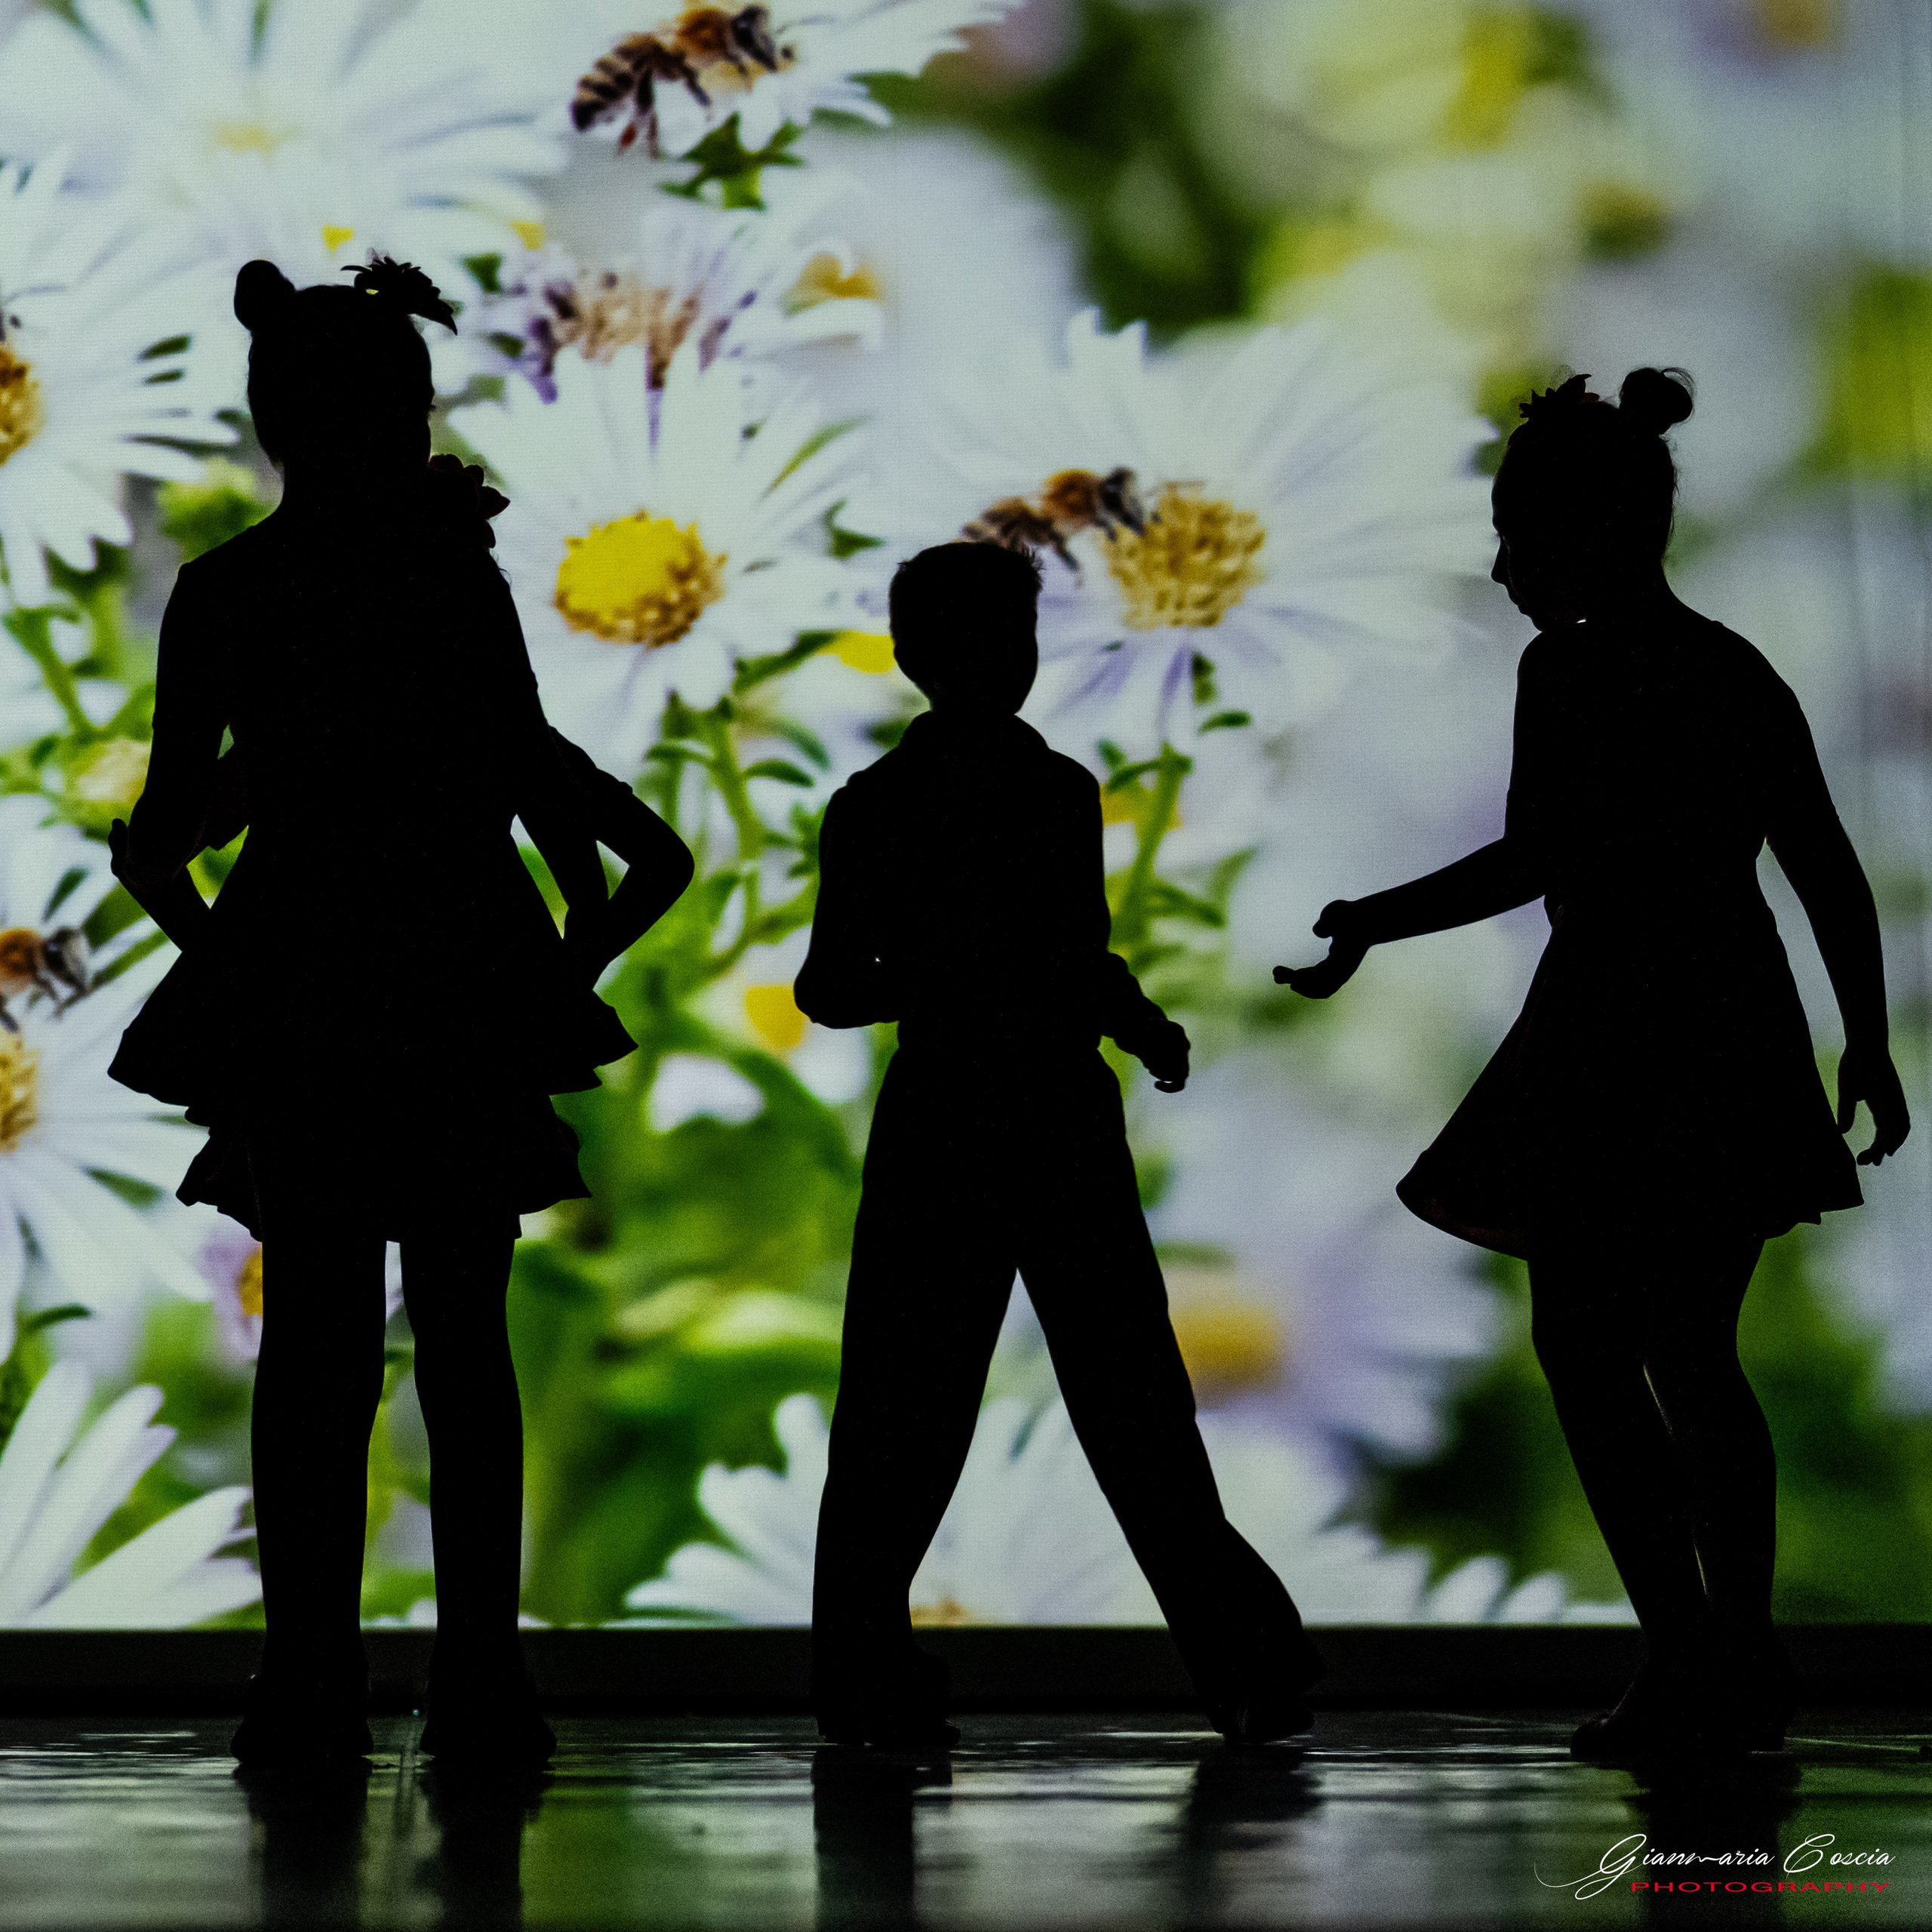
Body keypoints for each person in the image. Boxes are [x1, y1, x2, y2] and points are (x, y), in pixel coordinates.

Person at [1279, 368, 1911, 1758]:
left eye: (1520, 537)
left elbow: (1537, 855)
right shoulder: (1732, 668)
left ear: (1596, 537)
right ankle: (1728, 1658)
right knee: (1694, 1351)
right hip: (1728, 1021)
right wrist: (1858, 1037)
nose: (1501, 569)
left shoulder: (1565, 670)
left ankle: (1693, 1656)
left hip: (1615, 1022)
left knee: (1591, 1347)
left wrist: (1375, 924)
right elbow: (1822, 868)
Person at [108, 255, 688, 1766]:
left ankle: (305, 1685)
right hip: (452, 982)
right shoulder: (453, 577)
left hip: (300, 994)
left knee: (309, 1356)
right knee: (467, 1345)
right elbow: (525, 762)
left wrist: (223, 948)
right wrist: (578, 950)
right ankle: (483, 1684)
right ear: (411, 411)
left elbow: (163, 832)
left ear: (270, 423)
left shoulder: (225, 594)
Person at [796, 540, 1324, 1747]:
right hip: (1044, 1113)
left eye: (1014, 641)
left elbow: (836, 987)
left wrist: (1114, 1014)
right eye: (997, 641)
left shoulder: (887, 806)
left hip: (954, 1115)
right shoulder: (1050, 793)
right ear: (938, 658)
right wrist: (1116, 1018)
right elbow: (1039, 964)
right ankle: (1247, 1664)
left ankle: (861, 1681)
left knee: (908, 1409)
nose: (1008, 665)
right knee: (1125, 1405)